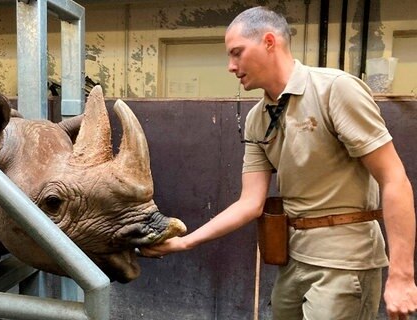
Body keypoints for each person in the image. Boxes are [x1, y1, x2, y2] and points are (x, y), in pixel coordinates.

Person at [140, 6, 417, 320]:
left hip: (345, 262)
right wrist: (185, 243)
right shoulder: (258, 117)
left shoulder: (335, 90)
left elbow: (395, 179)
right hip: (293, 260)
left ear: (269, 42)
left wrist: (402, 276)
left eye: (237, 53)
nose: (231, 66)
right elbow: (249, 203)